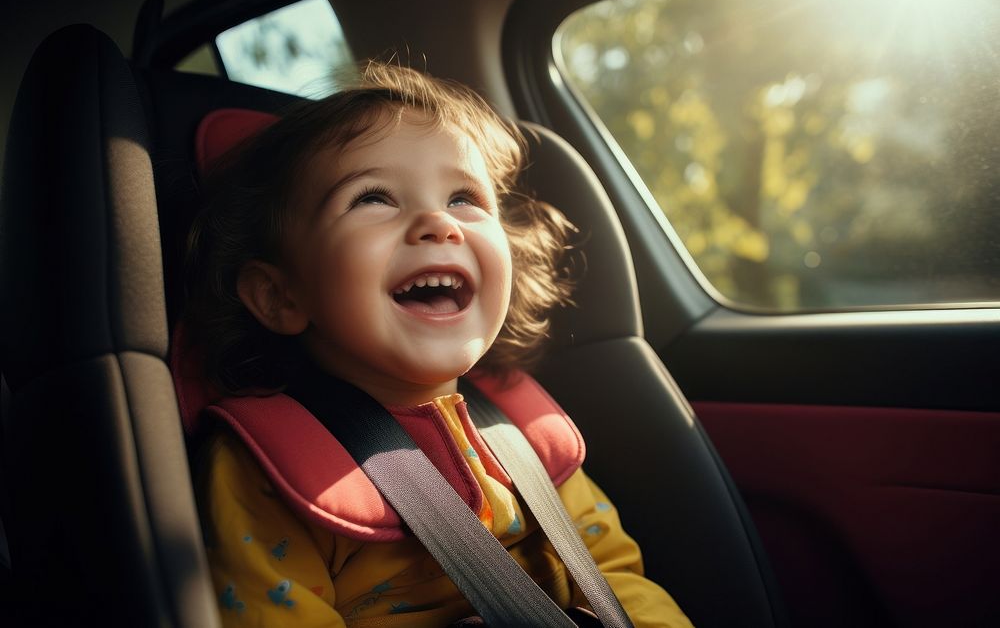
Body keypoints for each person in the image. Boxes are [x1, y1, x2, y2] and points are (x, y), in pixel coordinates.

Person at [183, 60, 693, 627]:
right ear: (280, 296)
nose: (438, 223)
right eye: (373, 197)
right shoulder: (263, 469)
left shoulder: (523, 429)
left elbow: (615, 577)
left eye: (463, 199)